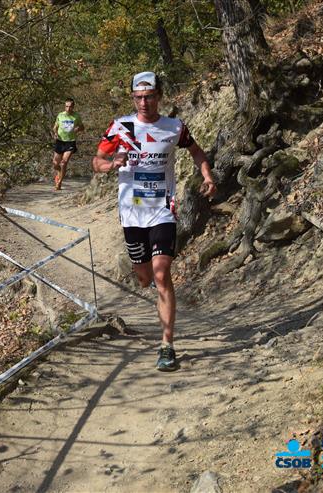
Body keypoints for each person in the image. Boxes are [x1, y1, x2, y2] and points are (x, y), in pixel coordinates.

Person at [92, 72, 216, 371]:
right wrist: (111, 164)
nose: (144, 102)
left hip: (163, 210)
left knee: (161, 274)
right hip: (131, 213)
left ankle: (167, 345)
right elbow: (96, 162)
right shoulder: (121, 127)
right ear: (132, 98)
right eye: (138, 97)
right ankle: (151, 288)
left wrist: (208, 176)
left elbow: (196, 152)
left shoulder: (174, 127)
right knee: (145, 278)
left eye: (149, 97)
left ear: (159, 96)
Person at [52, 98, 84, 190]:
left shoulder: (76, 116)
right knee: (55, 164)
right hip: (60, 141)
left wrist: (78, 129)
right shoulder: (60, 115)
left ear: (73, 107)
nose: (68, 108)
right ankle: (59, 173)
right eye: (66, 106)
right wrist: (55, 133)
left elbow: (82, 127)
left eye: (70, 107)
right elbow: (55, 127)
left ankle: (59, 182)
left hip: (70, 142)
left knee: (63, 163)